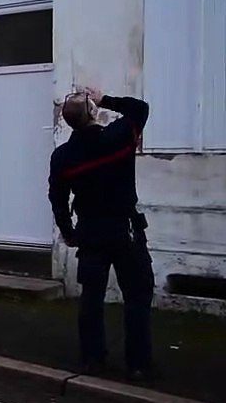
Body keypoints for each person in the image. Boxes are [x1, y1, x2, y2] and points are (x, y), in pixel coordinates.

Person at [48, 86, 155, 381]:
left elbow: (57, 197)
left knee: (91, 298)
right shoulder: (118, 138)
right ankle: (138, 364)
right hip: (125, 230)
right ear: (94, 112)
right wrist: (104, 97)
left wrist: (68, 232)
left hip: (90, 231)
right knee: (136, 296)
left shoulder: (64, 156)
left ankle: (93, 361)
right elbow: (140, 108)